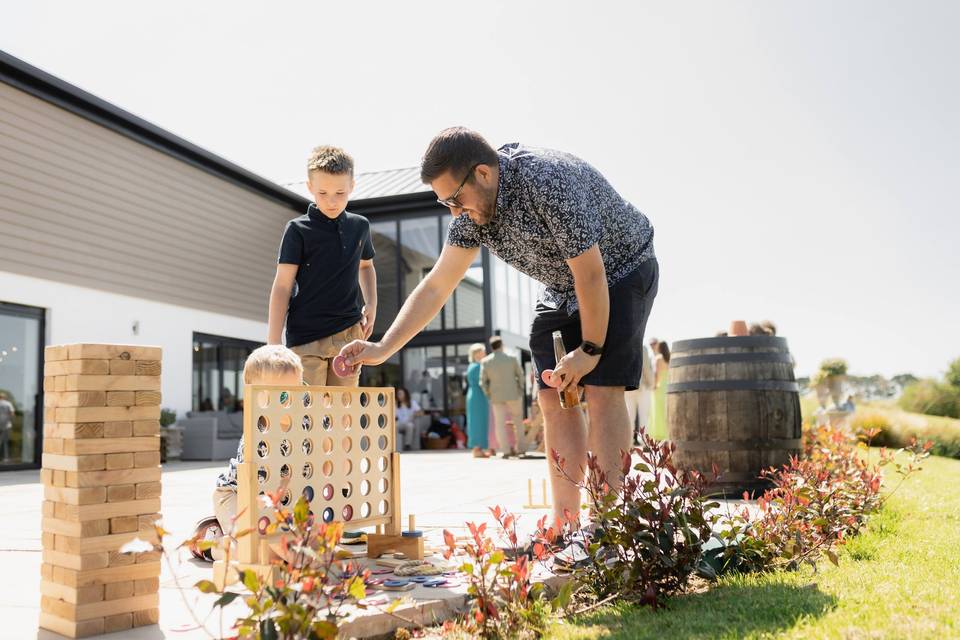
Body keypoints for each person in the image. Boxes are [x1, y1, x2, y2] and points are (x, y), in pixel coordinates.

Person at [340, 128, 658, 530]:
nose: (453, 212)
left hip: (622, 269)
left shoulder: (547, 182)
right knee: (553, 397)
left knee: (601, 390)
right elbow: (437, 285)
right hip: (561, 287)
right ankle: (567, 525)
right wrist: (383, 347)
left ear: (485, 174)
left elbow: (592, 275)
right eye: (443, 203)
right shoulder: (472, 215)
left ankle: (609, 527)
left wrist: (591, 349)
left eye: (454, 198)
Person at [267, 146, 377, 388]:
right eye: (323, 192)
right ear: (309, 188)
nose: (331, 201)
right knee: (307, 414)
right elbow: (283, 285)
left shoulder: (360, 226)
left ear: (352, 186)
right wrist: (273, 342)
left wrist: (371, 302)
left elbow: (366, 266)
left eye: (340, 192)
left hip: (349, 335)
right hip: (306, 337)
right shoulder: (297, 230)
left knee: (342, 415)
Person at [191, 345, 304, 562]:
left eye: (295, 392)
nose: (288, 402)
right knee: (258, 553)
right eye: (280, 396)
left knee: (279, 550)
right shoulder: (258, 435)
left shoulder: (304, 425)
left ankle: (227, 532)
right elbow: (257, 494)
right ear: (253, 397)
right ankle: (208, 544)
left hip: (276, 503)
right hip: (236, 496)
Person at [480, 336, 525, 457]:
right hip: (513, 394)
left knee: (499, 424)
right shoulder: (512, 358)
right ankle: (521, 449)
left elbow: (482, 382)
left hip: (496, 397)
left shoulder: (485, 361)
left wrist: (489, 394)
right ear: (501, 345)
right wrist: (520, 390)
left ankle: (505, 451)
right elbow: (520, 376)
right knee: (518, 422)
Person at [623, 343, 654, 444]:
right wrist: (651, 384)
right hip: (642, 386)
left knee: (629, 416)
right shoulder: (642, 347)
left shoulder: (623, 346)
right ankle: (645, 441)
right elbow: (646, 368)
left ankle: (629, 442)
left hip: (627, 387)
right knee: (644, 415)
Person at [465, 343, 491, 458]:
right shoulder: (477, 367)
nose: (485, 354)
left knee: (476, 422)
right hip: (478, 396)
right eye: (483, 352)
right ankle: (477, 449)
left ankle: (478, 448)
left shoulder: (473, 366)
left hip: (475, 395)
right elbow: (483, 382)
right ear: (477, 353)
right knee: (478, 423)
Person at [648, 340, 671, 440]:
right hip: (668, 386)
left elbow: (657, 375)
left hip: (660, 386)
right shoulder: (670, 358)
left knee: (657, 411)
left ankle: (658, 434)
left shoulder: (658, 359)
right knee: (666, 410)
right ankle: (667, 432)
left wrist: (654, 386)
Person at [0, 392, 14, 462]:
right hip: (7, 425)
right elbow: (12, 413)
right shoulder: (8, 403)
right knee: (5, 442)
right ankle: (6, 458)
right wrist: (10, 421)